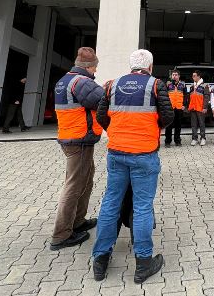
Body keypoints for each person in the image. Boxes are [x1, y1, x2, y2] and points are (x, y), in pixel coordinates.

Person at [92, 49, 174, 283]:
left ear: (131, 66)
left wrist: (117, 132)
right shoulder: (156, 85)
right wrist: (151, 129)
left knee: (110, 203)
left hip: (116, 153)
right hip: (144, 154)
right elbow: (168, 116)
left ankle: (100, 260)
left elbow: (101, 116)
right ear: (150, 66)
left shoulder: (112, 85)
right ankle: (143, 263)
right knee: (142, 207)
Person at [50, 48, 104, 251]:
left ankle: (78, 221)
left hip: (72, 138)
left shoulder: (65, 80)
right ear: (89, 66)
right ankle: (61, 235)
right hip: (78, 140)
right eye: (95, 67)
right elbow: (102, 100)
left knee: (86, 179)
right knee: (74, 185)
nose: (95, 71)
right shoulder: (82, 82)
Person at [164, 70, 186, 147]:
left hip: (179, 108)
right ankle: (167, 142)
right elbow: (164, 96)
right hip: (170, 108)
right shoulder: (168, 84)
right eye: (173, 75)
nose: (174, 76)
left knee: (178, 126)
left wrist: (184, 105)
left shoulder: (183, 85)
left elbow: (186, 96)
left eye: (176, 75)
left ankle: (177, 141)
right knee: (169, 126)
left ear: (179, 76)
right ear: (171, 76)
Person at [188, 71, 209, 146]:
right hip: (193, 108)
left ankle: (203, 138)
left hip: (200, 108)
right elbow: (189, 97)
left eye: (194, 76)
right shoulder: (192, 86)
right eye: (192, 76)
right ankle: (194, 139)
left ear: (199, 76)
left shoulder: (205, 85)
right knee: (193, 124)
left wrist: (205, 107)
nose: (192, 77)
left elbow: (206, 97)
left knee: (201, 124)